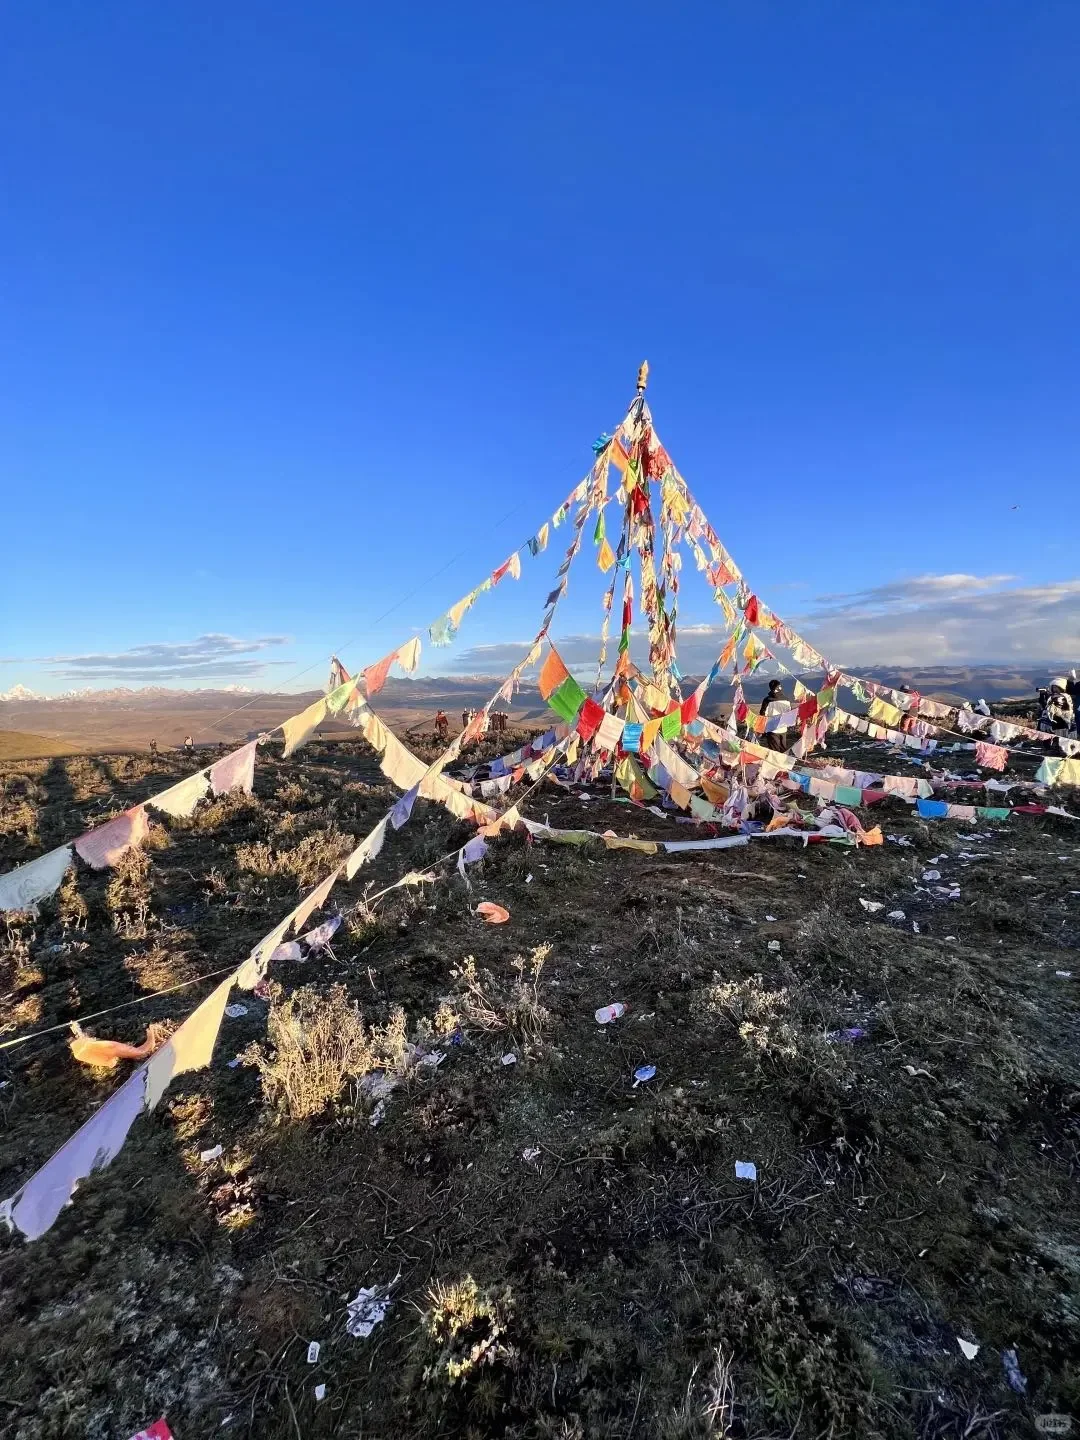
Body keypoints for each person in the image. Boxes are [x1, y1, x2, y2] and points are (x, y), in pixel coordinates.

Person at [759, 679, 791, 751]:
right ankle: (783, 761)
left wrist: (762, 730)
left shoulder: (767, 700)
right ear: (779, 687)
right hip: (783, 728)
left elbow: (762, 715)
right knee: (783, 749)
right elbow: (789, 713)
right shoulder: (787, 700)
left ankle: (775, 762)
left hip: (772, 728)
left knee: (774, 751)